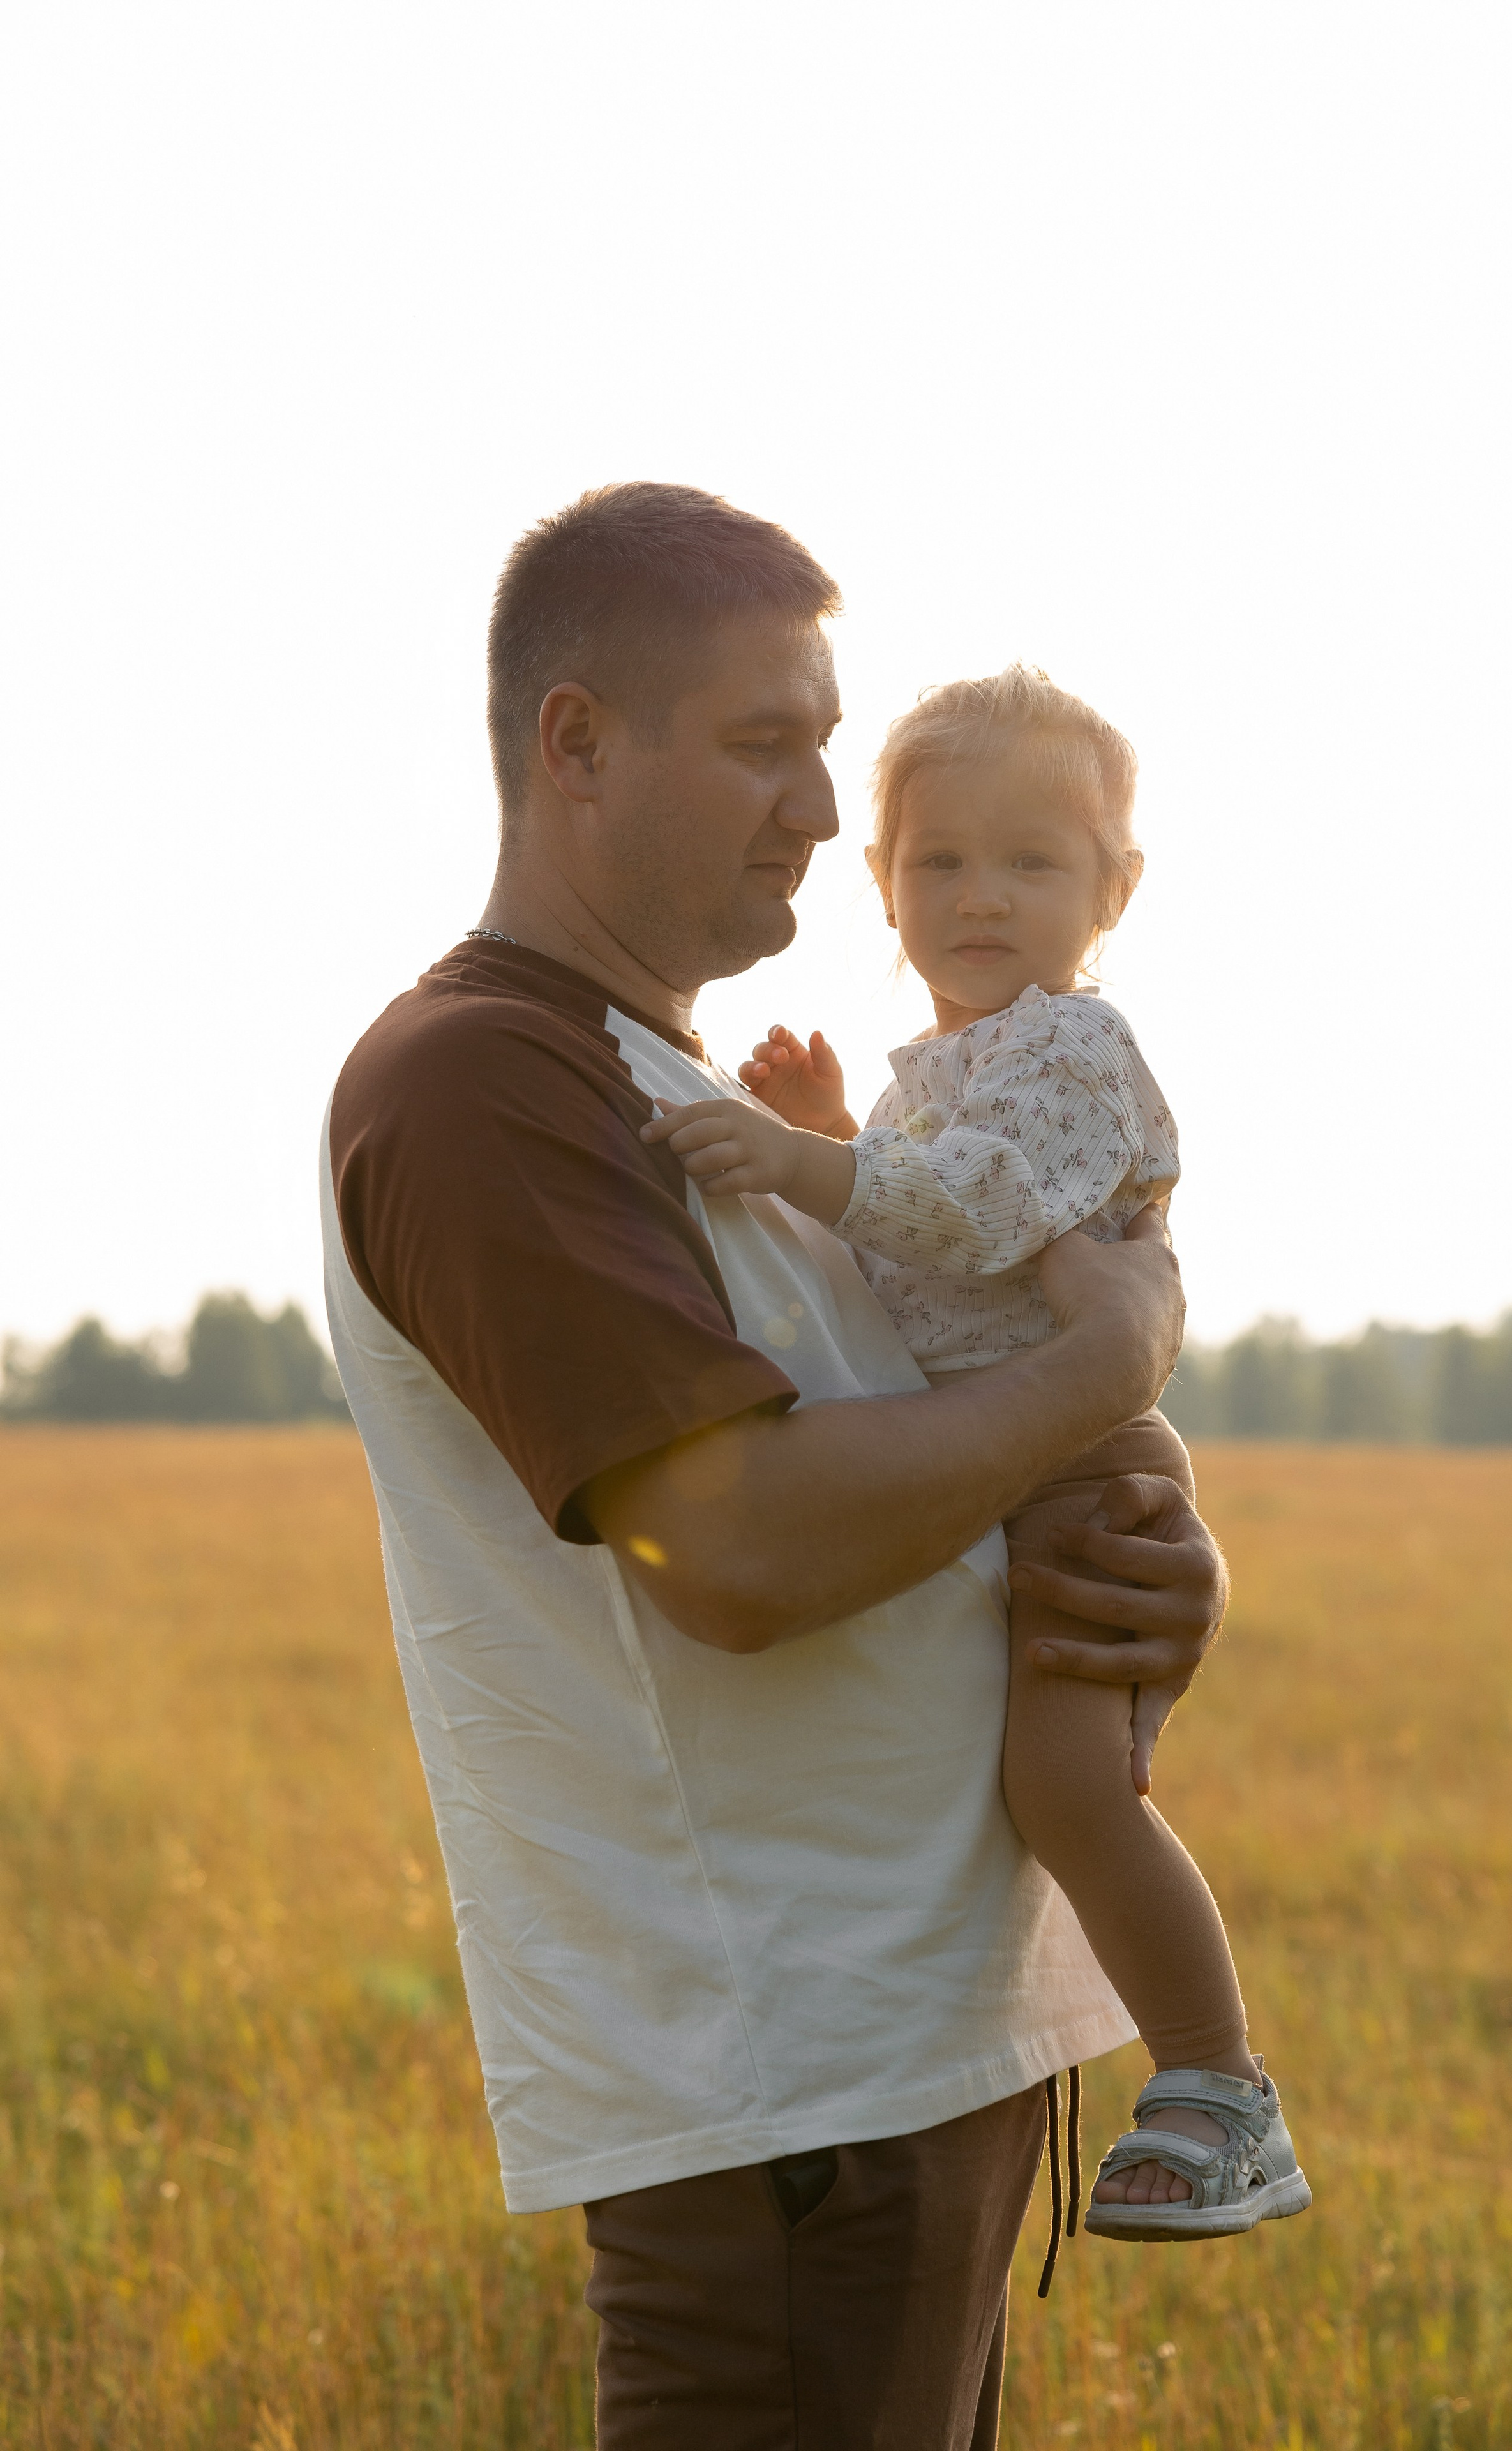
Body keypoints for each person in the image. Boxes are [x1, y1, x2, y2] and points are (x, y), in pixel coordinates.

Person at [322, 482, 1229, 2450]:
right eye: (763, 744)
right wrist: (1109, 1368)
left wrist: (1147, 1564)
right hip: (784, 2111)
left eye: (826, 749)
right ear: (576, 745)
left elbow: (927, 1444)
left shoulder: (698, 1100)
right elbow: (733, 1552)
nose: (825, 811)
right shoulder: (484, 1081)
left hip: (905, 2075)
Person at [645, 665, 1310, 2243]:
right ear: (879, 883)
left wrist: (815, 1165)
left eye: (1031, 863)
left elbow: (984, 1208)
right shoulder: (937, 1075)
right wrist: (843, 1133)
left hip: (1082, 1475)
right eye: (938, 861)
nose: (979, 897)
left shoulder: (1070, 1049)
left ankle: (1221, 2088)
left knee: (1066, 1785)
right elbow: (916, 1266)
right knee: (1028, 1778)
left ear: (1113, 892)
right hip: (1010, 1461)